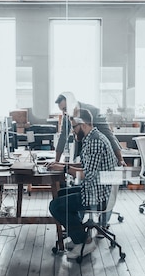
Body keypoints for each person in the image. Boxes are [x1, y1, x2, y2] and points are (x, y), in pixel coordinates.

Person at [48, 108, 118, 260]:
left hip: (98, 196)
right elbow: (88, 167)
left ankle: (84, 241)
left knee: (55, 206)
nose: (72, 131)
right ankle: (78, 234)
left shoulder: (94, 142)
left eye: (74, 127)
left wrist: (65, 168)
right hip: (99, 190)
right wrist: (62, 166)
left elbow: (88, 175)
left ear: (84, 124)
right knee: (61, 194)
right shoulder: (93, 137)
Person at [54, 92, 126, 166]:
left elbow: (108, 135)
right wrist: (56, 162)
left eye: (65, 109)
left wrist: (120, 160)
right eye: (62, 110)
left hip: (96, 149)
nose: (64, 113)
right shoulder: (66, 115)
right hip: (82, 150)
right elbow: (63, 136)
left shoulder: (93, 111)